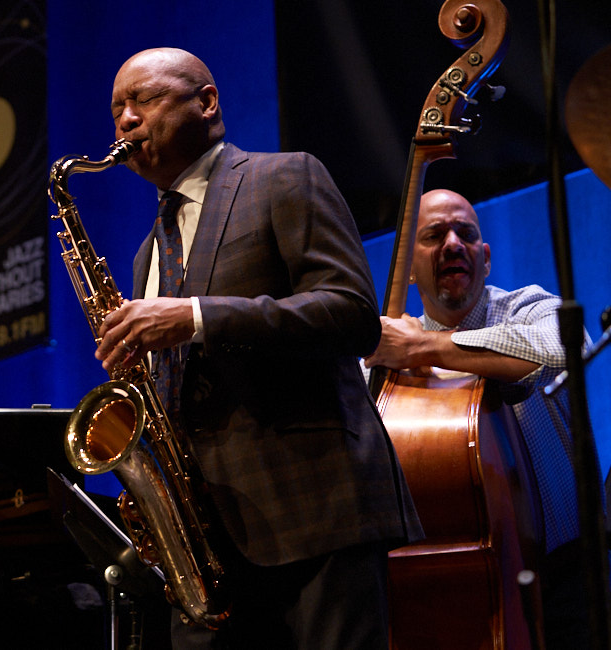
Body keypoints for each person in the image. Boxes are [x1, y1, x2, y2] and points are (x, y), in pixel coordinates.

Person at [93, 47, 421, 649]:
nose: (127, 121)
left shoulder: (285, 176)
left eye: (143, 99)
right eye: (117, 109)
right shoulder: (146, 252)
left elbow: (352, 315)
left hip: (313, 512)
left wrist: (194, 316)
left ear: (207, 101)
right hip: (205, 544)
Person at [362, 188, 611, 650]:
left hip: (575, 574)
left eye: (465, 233)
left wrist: (424, 348)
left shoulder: (528, 308)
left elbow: (565, 350)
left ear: (485, 258)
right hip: (466, 589)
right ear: (407, 269)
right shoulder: (387, 363)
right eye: (433, 235)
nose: (453, 244)